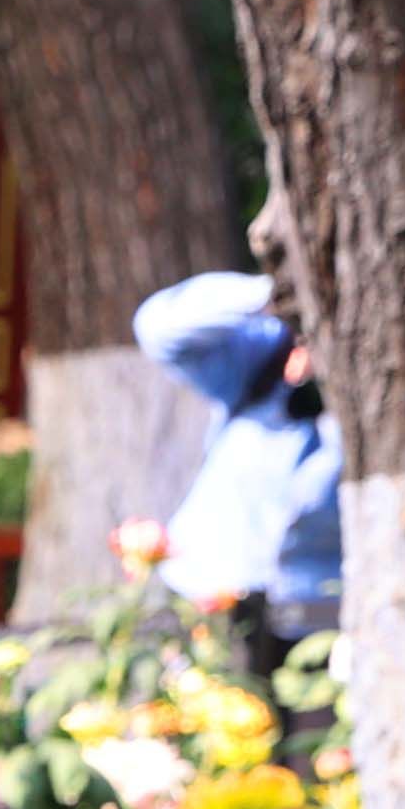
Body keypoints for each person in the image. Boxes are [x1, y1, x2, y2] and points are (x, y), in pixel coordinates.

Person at [131, 265, 344, 623]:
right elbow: (159, 330)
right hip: (205, 598)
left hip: (319, 620)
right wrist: (280, 296)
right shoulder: (266, 357)